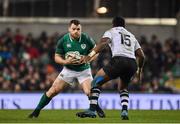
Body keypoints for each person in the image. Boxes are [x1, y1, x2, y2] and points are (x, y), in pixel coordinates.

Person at [28, 19, 105, 118]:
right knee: (53, 90)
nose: (76, 31)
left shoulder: (86, 38)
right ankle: (36, 111)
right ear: (69, 29)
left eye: (78, 29)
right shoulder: (63, 40)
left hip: (83, 70)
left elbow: (96, 51)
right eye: (74, 29)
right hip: (68, 69)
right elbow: (56, 57)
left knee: (89, 92)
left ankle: (96, 108)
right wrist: (65, 62)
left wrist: (88, 59)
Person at [76, 17, 145, 120]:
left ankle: (92, 110)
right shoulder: (131, 35)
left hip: (119, 61)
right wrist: (139, 70)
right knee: (122, 88)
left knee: (95, 82)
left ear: (113, 24)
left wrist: (89, 56)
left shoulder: (111, 31)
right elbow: (142, 55)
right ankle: (124, 111)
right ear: (124, 25)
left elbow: (103, 43)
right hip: (132, 64)